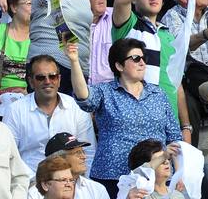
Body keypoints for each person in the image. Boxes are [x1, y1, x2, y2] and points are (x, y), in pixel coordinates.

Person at [72, 37, 183, 182]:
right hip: (112, 175)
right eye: (136, 58)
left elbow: (174, 137)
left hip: (156, 177)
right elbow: (84, 97)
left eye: (144, 58)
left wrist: (179, 174)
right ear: (119, 66)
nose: (142, 63)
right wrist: (74, 61)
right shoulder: (105, 92)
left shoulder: (158, 94)